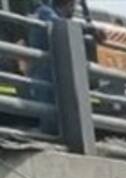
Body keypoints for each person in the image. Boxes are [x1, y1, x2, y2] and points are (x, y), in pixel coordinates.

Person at [28, 0, 77, 134]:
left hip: (46, 70)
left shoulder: (45, 11)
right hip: (45, 72)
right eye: (73, 5)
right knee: (49, 111)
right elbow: (61, 26)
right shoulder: (45, 12)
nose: (74, 10)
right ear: (68, 4)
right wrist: (87, 29)